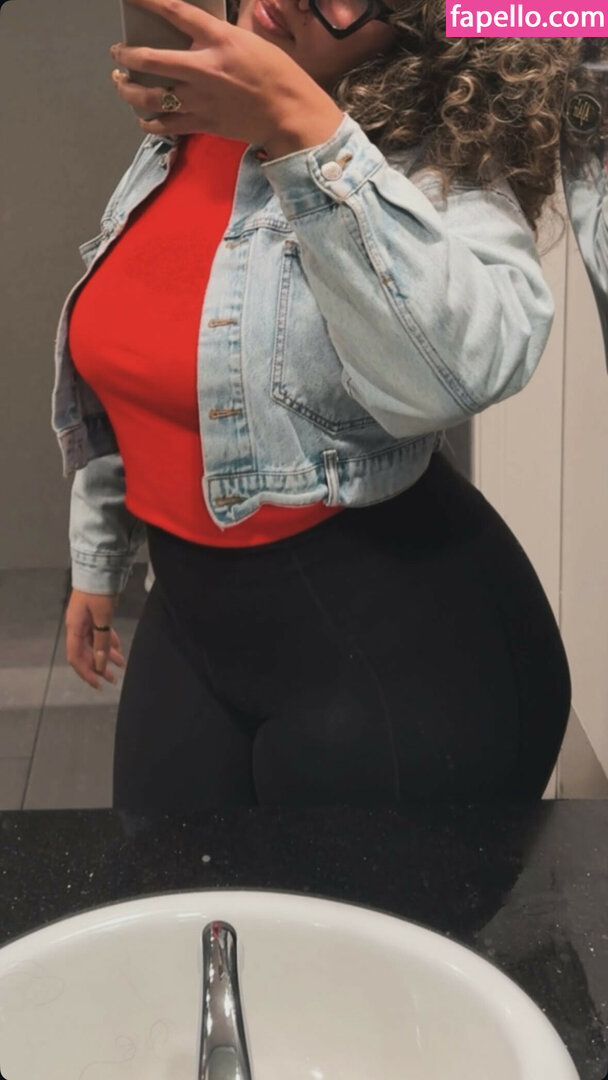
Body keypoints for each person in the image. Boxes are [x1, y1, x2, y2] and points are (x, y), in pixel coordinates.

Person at [53, 0, 576, 810]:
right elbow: (138, 373)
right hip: (189, 614)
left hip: (400, 654)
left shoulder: (420, 156)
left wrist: (305, 134)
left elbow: (472, 366)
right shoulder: (182, 135)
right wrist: (97, 559)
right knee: (162, 876)